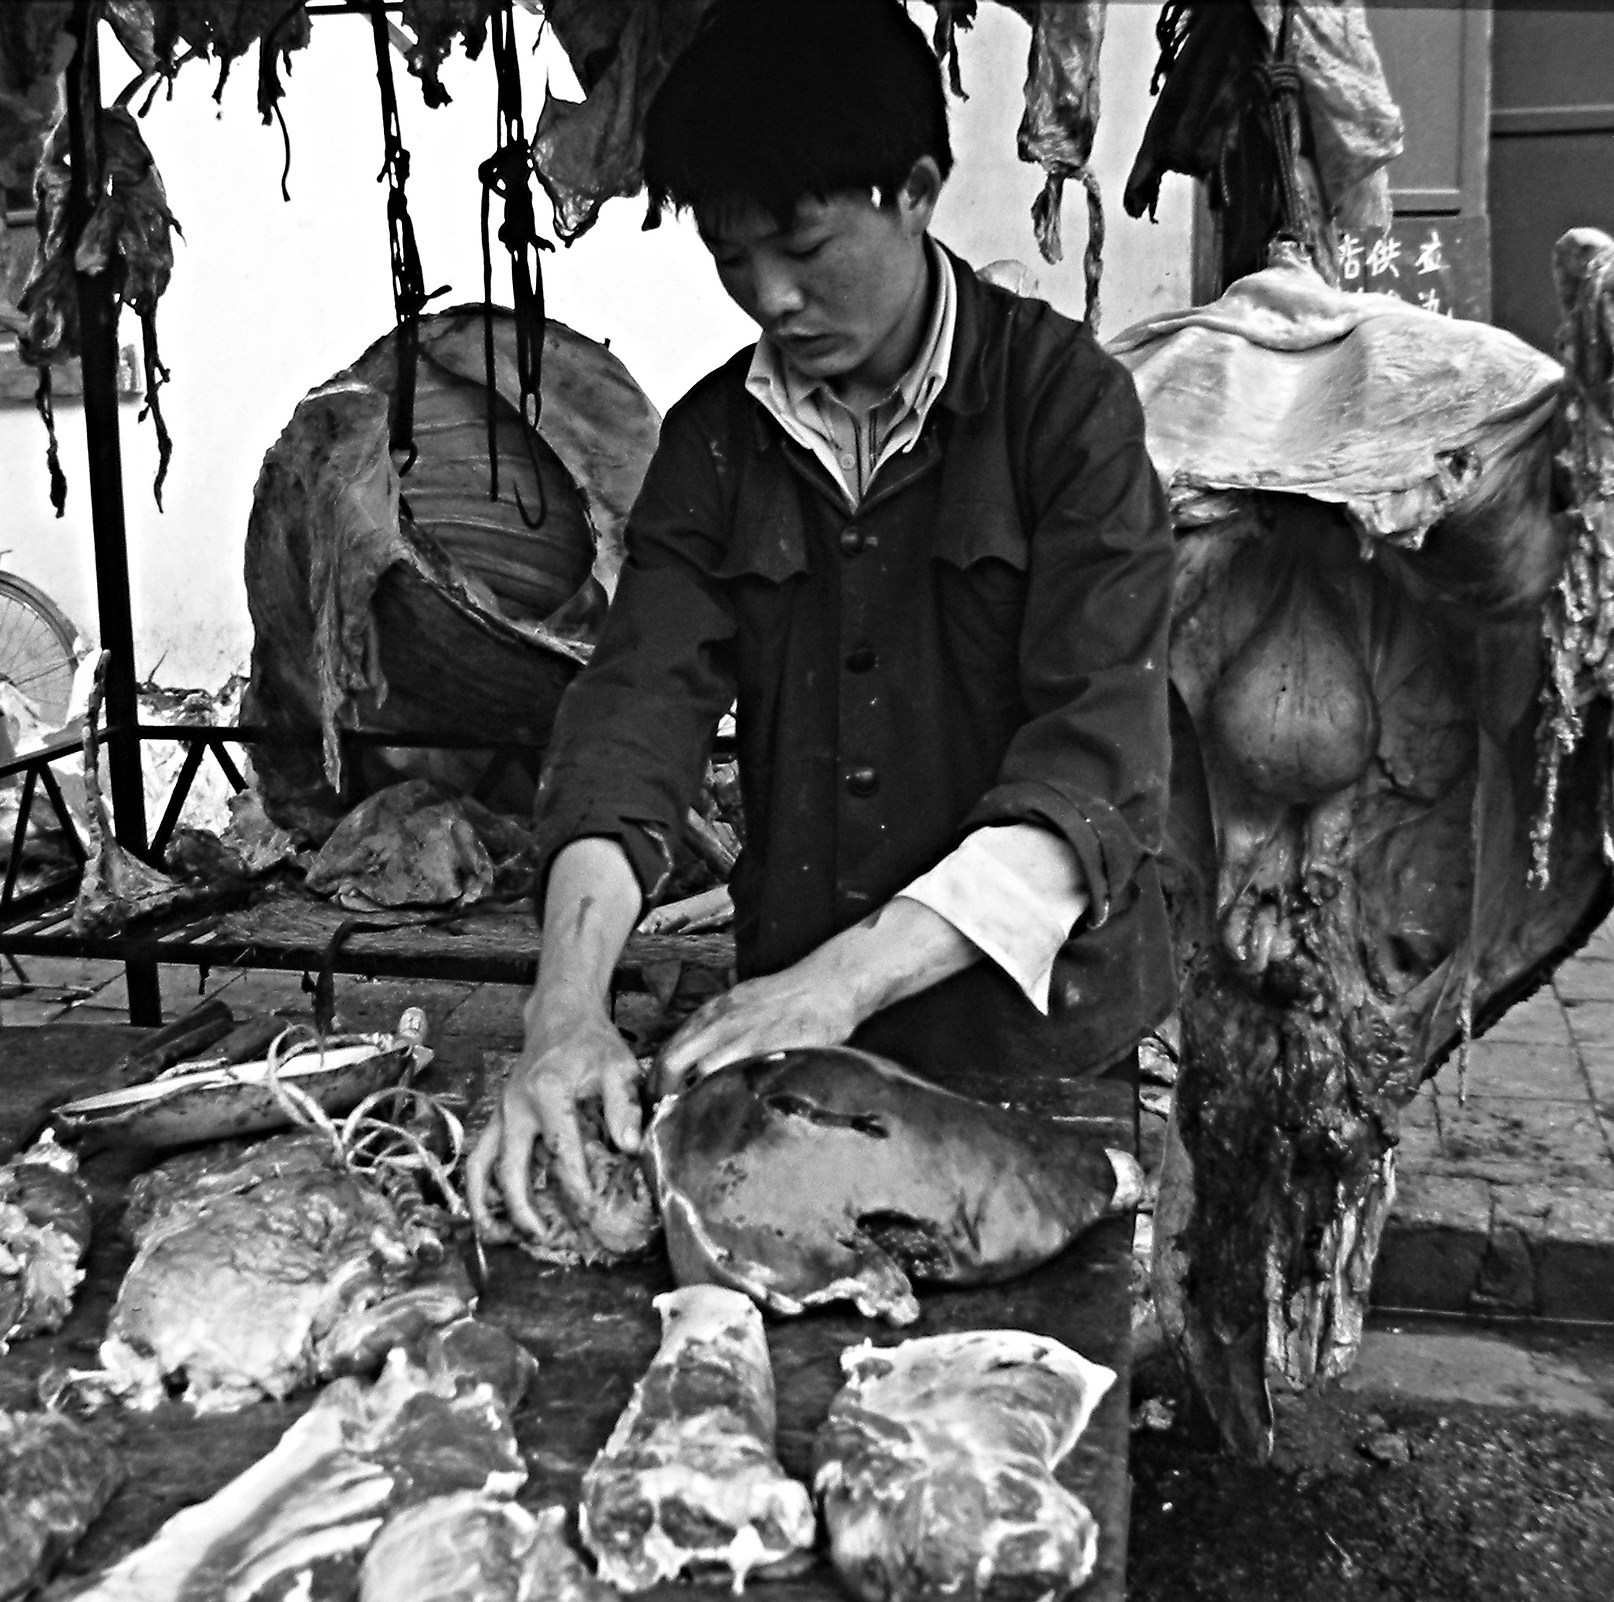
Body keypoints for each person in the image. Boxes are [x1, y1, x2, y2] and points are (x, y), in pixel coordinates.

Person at [465, 0, 1178, 1240]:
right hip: (793, 1045)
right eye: (734, 260)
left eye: (802, 244)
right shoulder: (714, 445)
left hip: (1036, 1043)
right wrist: (565, 1011)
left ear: (914, 189)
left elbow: (1098, 768)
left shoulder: (1068, 412)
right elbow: (635, 716)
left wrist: (837, 984)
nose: (773, 299)